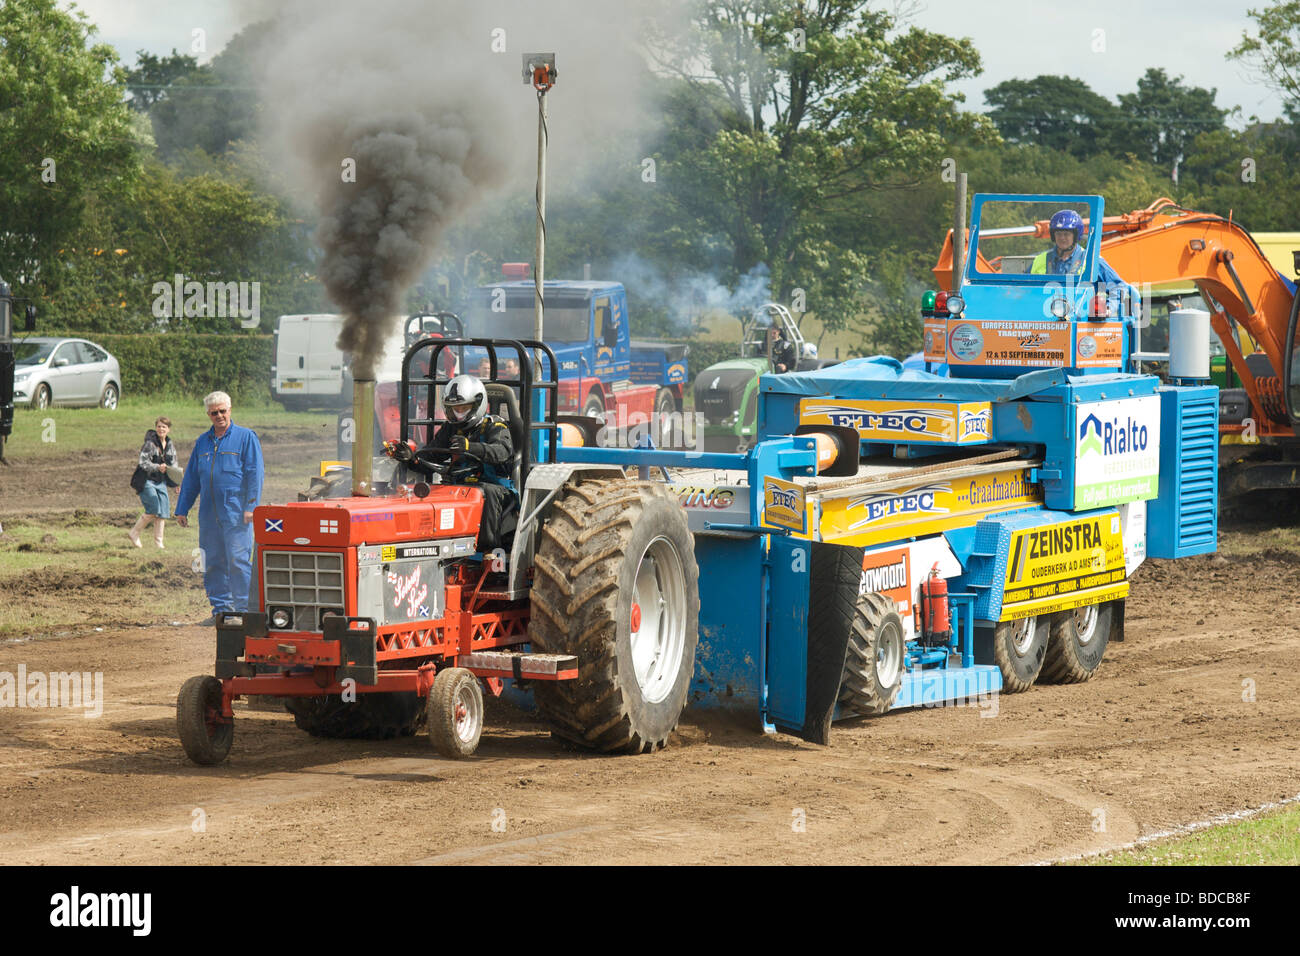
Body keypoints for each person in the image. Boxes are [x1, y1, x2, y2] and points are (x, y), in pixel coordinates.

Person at [388, 374, 516, 552]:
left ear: (477, 405)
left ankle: (488, 552)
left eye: (464, 408)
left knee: (484, 492)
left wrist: (470, 447)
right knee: (428, 491)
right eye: (455, 408)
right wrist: (411, 459)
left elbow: (501, 452)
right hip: (458, 486)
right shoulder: (450, 428)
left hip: (495, 488)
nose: (459, 413)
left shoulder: (496, 426)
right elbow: (431, 456)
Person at [175, 391, 265, 625]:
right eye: (214, 413)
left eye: (223, 411)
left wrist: (251, 506)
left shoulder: (246, 438)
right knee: (211, 560)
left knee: (237, 560)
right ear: (208, 414)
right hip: (208, 514)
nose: (219, 416)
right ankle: (221, 612)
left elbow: (255, 474)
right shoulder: (202, 442)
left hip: (236, 512)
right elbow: (192, 478)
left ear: (230, 410)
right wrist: (182, 508)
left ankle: (243, 612)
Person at [128, 417, 179, 549]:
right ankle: (134, 533)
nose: (161, 429)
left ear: (169, 429)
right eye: (159, 426)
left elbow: (173, 464)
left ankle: (158, 543)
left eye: (164, 427)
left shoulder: (170, 444)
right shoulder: (150, 444)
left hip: (160, 481)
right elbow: (143, 462)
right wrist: (157, 467)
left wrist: (176, 483)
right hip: (146, 480)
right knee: (153, 509)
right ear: (156, 428)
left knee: (163, 511)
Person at [1032, 209, 1087, 277]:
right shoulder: (1040, 260)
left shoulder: (1091, 261)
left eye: (1066, 234)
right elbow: (1025, 285)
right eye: (1058, 234)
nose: (1062, 238)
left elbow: (1102, 286)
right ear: (1053, 235)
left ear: (1076, 236)